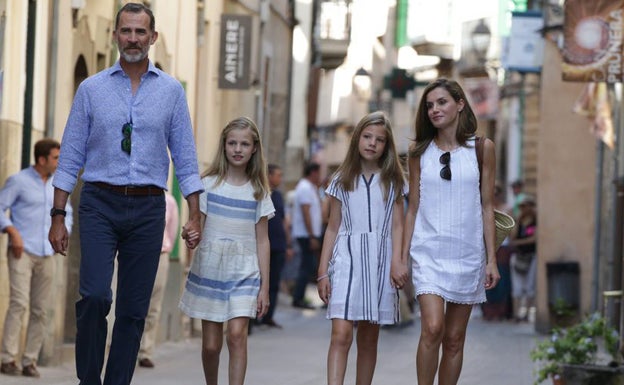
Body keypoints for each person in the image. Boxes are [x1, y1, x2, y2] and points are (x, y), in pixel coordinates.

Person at [48, 3, 204, 384]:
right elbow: (69, 155)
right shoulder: (91, 90)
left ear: (153, 37)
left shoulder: (170, 92)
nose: (133, 39)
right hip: (100, 201)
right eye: (126, 31)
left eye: (140, 32)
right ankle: (89, 380)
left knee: (133, 311)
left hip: (149, 207)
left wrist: (195, 213)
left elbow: (185, 156)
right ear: (115, 35)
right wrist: (57, 215)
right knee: (96, 296)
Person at [402, 78, 500, 385]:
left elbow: (486, 206)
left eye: (441, 102)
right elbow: (413, 207)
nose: (434, 110)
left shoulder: (482, 149)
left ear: (460, 104)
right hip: (428, 252)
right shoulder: (418, 152)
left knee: (455, 338)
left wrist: (491, 259)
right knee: (432, 327)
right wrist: (402, 257)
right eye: (429, 105)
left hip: (467, 253)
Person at [178, 117, 274, 385]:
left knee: (236, 335)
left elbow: (263, 241)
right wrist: (190, 234)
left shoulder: (259, 191)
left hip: (245, 270)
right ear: (224, 145)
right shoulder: (207, 185)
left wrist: (264, 287)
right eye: (232, 143)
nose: (238, 149)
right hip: (211, 268)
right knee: (210, 345)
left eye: (245, 144)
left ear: (255, 148)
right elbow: (197, 227)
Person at [317, 111, 408, 385]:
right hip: (346, 261)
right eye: (367, 137)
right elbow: (332, 227)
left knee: (369, 337)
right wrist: (322, 272)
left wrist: (398, 261)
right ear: (357, 139)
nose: (372, 143)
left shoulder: (394, 182)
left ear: (386, 145)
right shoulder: (341, 180)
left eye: (379, 139)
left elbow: (398, 226)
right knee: (341, 334)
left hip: (380, 263)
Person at [0, 139, 73, 378]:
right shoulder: (19, 181)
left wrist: (64, 233)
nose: (59, 162)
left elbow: (68, 215)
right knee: (19, 304)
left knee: (41, 309)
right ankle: (8, 358)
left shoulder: (59, 186)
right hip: (22, 251)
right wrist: (12, 232)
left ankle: (29, 360)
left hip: (47, 253)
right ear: (42, 160)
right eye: (55, 158)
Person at [138, 192, 179, 368]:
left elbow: (172, 231)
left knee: (154, 304)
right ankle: (126, 346)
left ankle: (145, 351)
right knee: (133, 302)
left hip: (161, 254)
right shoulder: (138, 196)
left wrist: (166, 248)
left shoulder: (169, 201)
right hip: (137, 254)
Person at [259, 164, 293, 328]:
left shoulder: (278, 195)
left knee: (274, 282)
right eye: (278, 175)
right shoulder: (260, 192)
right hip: (262, 244)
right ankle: (252, 319)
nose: (280, 179)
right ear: (269, 175)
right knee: (258, 281)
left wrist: (288, 244)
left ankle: (268, 316)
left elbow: (284, 221)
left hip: (278, 245)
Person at [291, 162, 323, 309]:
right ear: (313, 172)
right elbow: (306, 212)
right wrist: (311, 236)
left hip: (309, 233)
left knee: (307, 266)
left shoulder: (310, 187)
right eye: (318, 173)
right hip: (306, 234)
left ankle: (299, 297)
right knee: (306, 266)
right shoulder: (304, 187)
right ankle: (298, 298)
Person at [509, 194, 537, 322]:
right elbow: (512, 237)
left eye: (525, 206)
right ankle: (516, 313)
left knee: (530, 286)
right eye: (521, 207)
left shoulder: (536, 221)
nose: (523, 209)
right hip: (518, 256)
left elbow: (535, 238)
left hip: (531, 256)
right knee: (517, 286)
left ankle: (527, 313)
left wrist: (519, 243)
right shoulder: (519, 221)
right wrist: (518, 221)